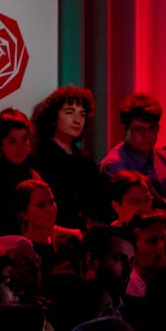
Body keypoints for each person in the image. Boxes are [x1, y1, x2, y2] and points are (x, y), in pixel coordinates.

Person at [99, 93, 166, 212]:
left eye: (151, 128)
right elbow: (138, 214)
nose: (147, 135)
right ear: (125, 129)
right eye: (139, 129)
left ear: (158, 129)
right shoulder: (114, 165)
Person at [31, 85, 100, 230]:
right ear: (54, 117)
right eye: (70, 112)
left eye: (82, 114)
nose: (77, 120)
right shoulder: (40, 158)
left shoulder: (86, 161)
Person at [0, 108, 41, 238]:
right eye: (12, 141)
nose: (20, 147)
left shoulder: (34, 176)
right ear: (0, 144)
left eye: (24, 139)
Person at [16, 179, 84, 282]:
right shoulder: (21, 253)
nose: (51, 209)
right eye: (41, 205)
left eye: (51, 202)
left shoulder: (66, 245)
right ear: (24, 214)